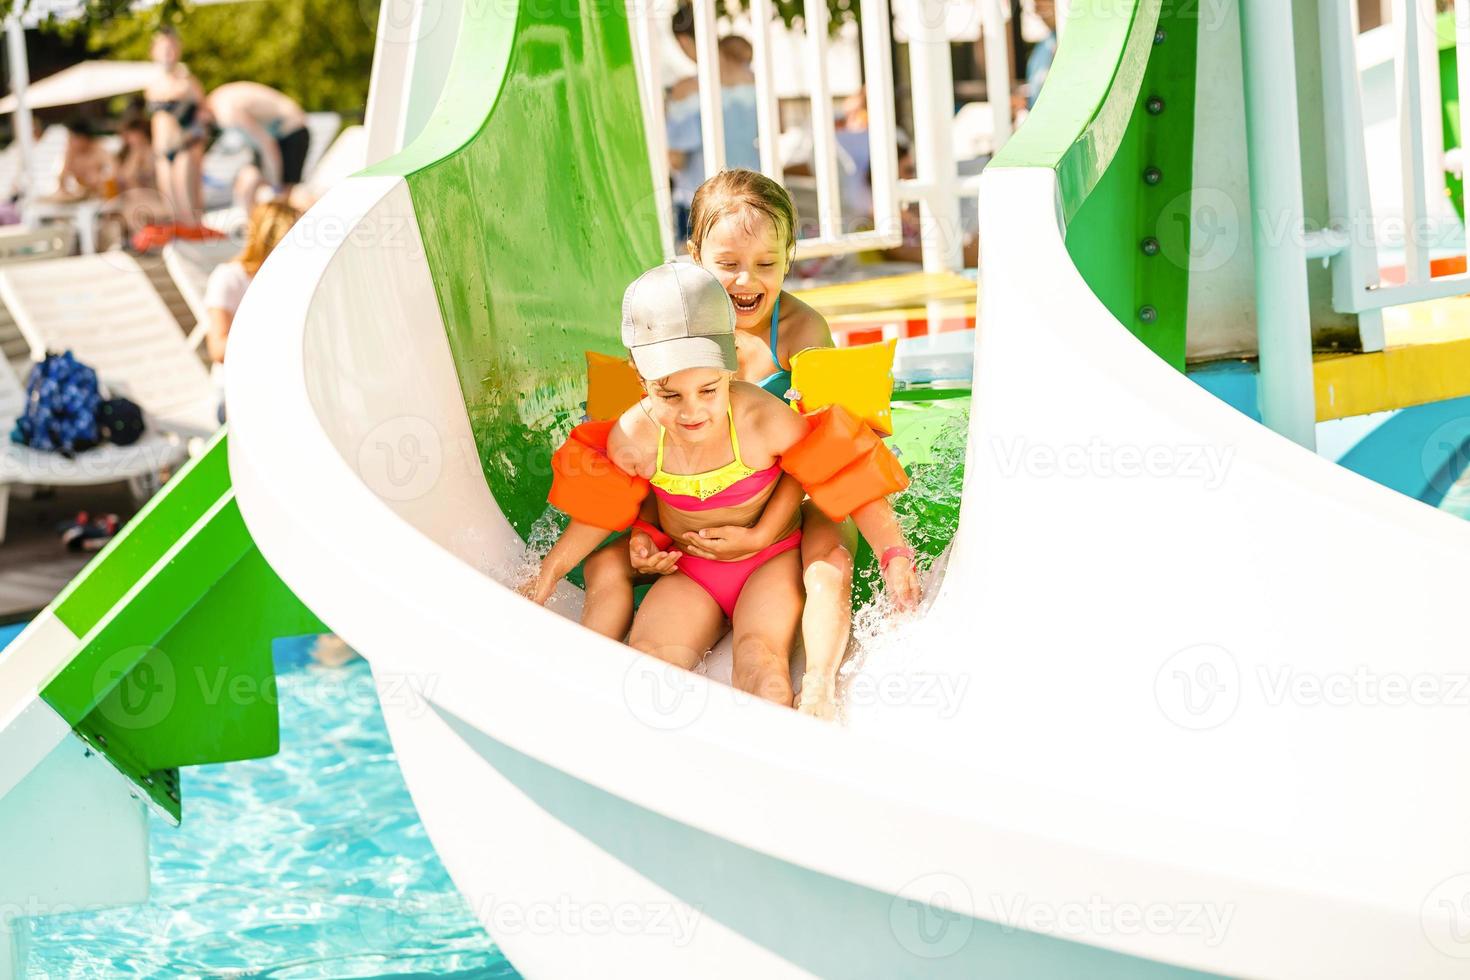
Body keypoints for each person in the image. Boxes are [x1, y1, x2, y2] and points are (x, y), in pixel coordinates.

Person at [525, 263, 913, 709]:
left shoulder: (761, 419)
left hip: (768, 560)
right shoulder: (633, 438)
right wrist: (548, 573)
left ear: (730, 365)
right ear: (638, 375)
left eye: (709, 390)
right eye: (669, 395)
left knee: (760, 662)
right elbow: (601, 511)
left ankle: (788, 744)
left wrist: (893, 553)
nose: (692, 412)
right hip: (690, 570)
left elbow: (844, 475)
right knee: (646, 664)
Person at [666, 7, 759, 239]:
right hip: (750, 194)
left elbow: (676, 159)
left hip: (699, 199)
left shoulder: (684, 91)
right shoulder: (754, 80)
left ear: (684, 41)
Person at [204, 200, 301, 416]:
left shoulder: (291, 281)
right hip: (234, 392)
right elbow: (218, 349)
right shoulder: (230, 277)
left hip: (278, 384)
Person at [204, 81, 311, 209]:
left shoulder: (226, 113)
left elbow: (267, 144)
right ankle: (255, 226)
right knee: (247, 181)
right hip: (278, 133)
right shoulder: (217, 100)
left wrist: (276, 184)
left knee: (283, 195)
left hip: (292, 131)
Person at [144, 27, 207, 227]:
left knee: (188, 205)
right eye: (163, 47)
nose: (168, 52)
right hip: (162, 151)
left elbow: (204, 118)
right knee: (170, 208)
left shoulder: (188, 83)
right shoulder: (152, 86)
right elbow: (156, 122)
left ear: (178, 50)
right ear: (153, 51)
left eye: (172, 47)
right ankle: (183, 247)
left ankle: (197, 239)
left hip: (185, 147)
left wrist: (194, 146)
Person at [49, 119, 112, 202]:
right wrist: (64, 190)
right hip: (82, 197)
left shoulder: (98, 149)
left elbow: (114, 171)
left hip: (101, 197)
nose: (69, 141)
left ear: (83, 138)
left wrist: (100, 179)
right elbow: (62, 177)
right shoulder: (71, 152)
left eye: (72, 138)